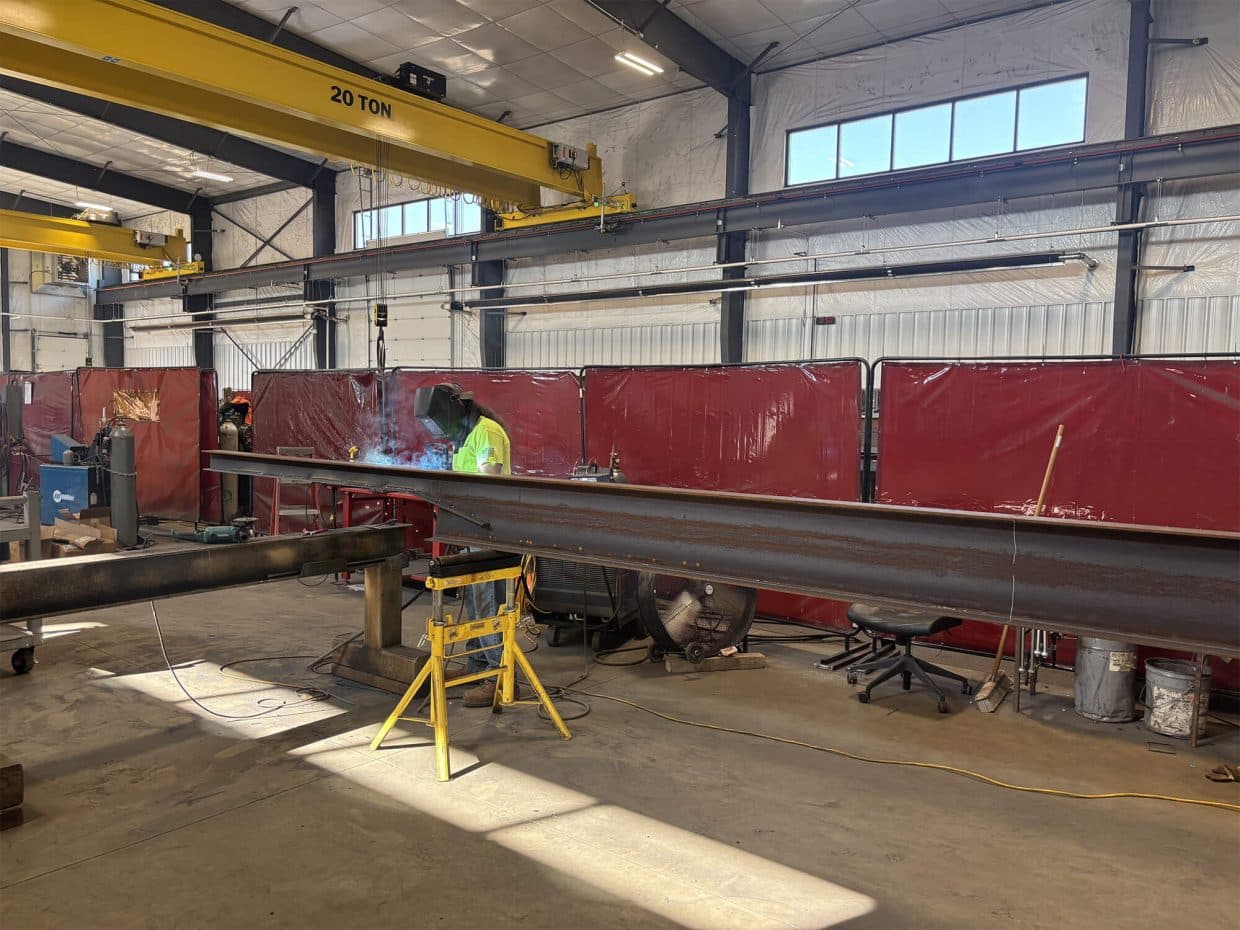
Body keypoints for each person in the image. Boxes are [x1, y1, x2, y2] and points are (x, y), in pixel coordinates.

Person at [412, 383, 513, 707]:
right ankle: (477, 665)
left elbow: (489, 480)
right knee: (472, 601)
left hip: (490, 533)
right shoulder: (464, 437)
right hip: (470, 532)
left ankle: (497, 677)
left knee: (487, 604)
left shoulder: (487, 432)